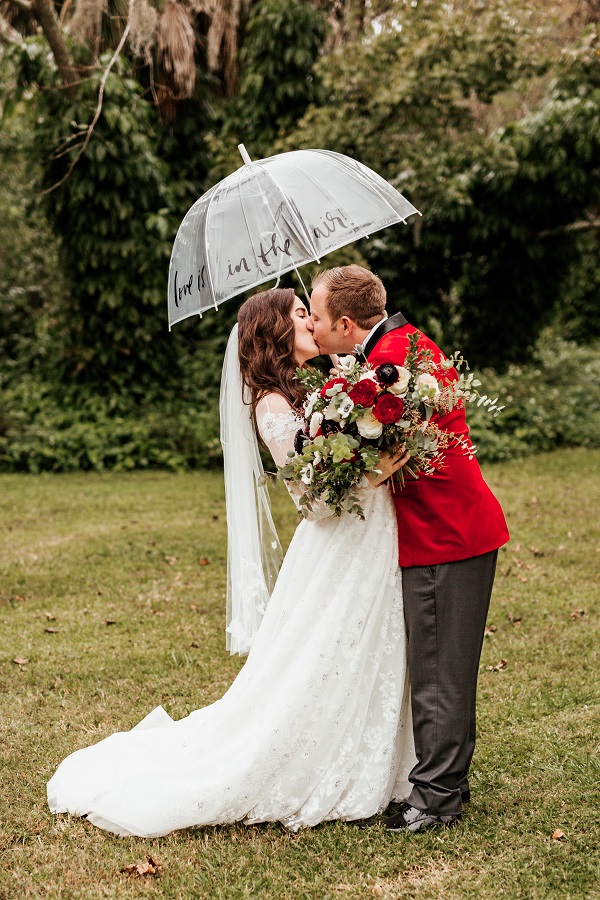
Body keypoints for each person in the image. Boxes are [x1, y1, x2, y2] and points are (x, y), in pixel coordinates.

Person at [47, 287, 415, 837]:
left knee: (370, 643)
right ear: (274, 331)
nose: (312, 322)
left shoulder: (323, 381)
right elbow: (310, 501)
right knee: (329, 653)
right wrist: (377, 472)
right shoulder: (272, 404)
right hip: (338, 541)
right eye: (300, 315)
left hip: (367, 537)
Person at [308, 265, 510, 833]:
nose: (315, 329)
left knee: (439, 672)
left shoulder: (390, 369)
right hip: (458, 527)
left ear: (346, 323)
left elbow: (368, 459)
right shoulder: (407, 344)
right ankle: (449, 781)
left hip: (443, 534)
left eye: (319, 318)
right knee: (446, 667)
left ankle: (437, 799)